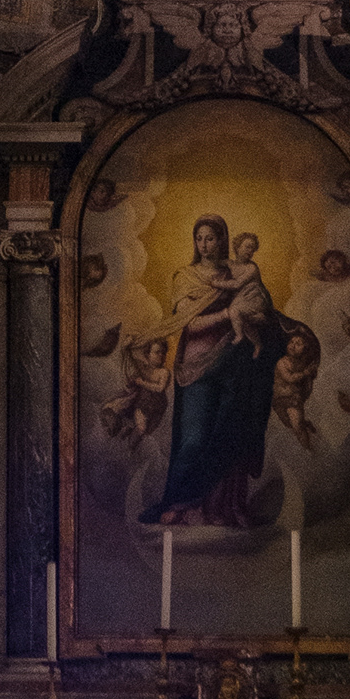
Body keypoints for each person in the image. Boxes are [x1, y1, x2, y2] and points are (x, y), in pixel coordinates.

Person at [140, 215, 289, 529]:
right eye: (199, 238)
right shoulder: (185, 276)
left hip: (236, 362)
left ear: (223, 239)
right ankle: (180, 504)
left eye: (211, 238)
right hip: (196, 365)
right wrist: (229, 313)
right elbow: (189, 323)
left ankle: (223, 509)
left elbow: (261, 310)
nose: (205, 245)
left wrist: (257, 320)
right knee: (194, 438)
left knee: (230, 433)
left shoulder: (237, 272)